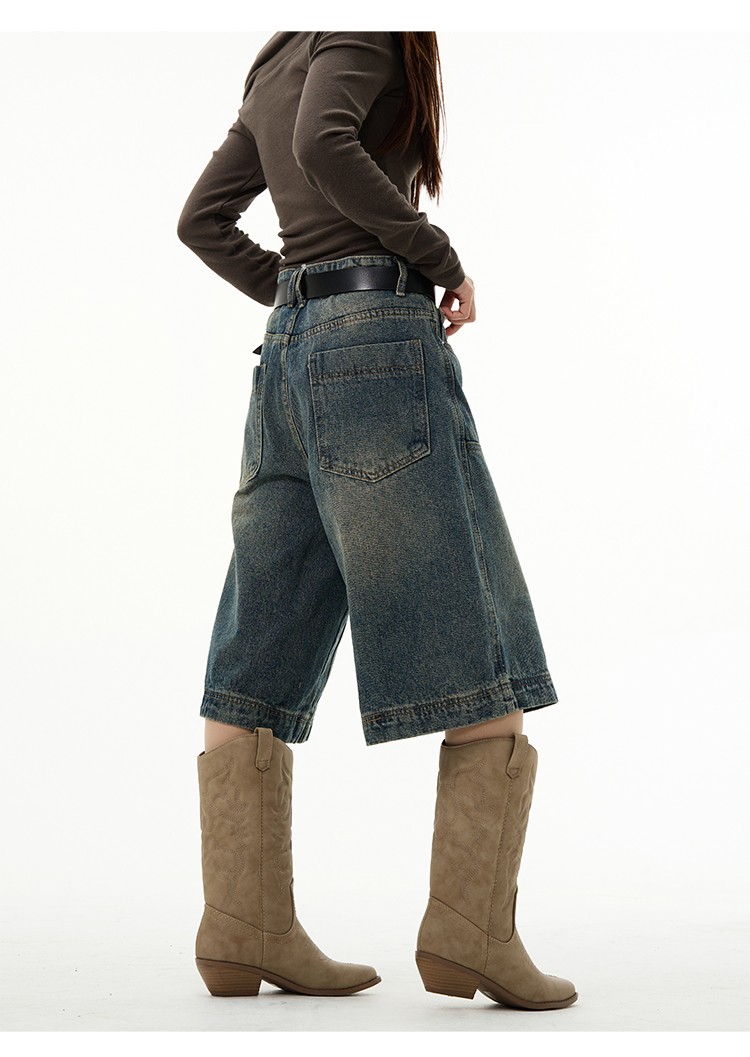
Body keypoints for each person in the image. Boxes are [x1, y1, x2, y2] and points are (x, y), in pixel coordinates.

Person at [177, 31, 577, 1009]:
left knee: (260, 643)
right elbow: (325, 141)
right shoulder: (365, 27)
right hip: (377, 349)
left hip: (288, 356)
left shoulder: (277, 55)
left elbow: (202, 219)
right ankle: (472, 934)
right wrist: (436, 255)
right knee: (481, 638)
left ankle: (240, 927)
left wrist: (301, 299)